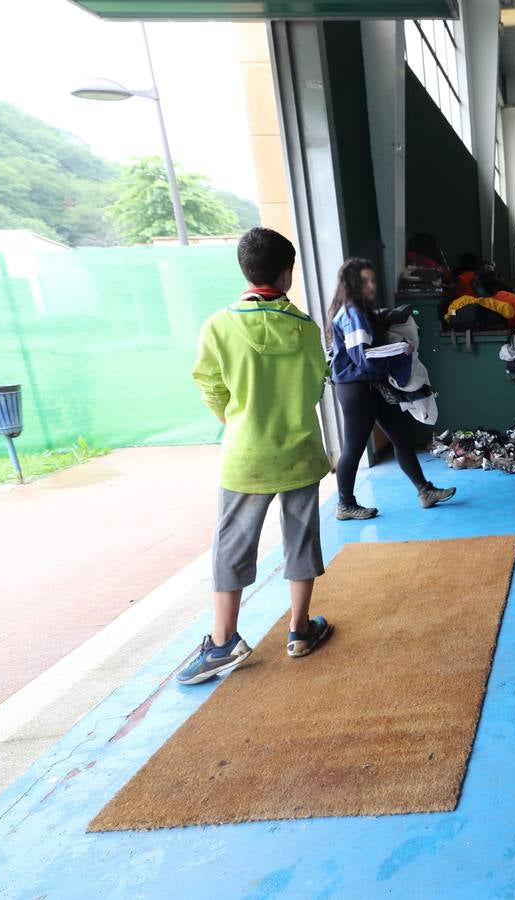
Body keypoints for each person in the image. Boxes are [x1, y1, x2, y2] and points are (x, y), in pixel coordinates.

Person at [182, 227, 335, 685]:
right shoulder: (306, 330)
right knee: (301, 539)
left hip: (246, 455)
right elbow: (315, 386)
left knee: (232, 544)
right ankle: (300, 630)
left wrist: (234, 419)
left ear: (244, 270)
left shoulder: (218, 325)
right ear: (288, 274)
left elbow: (209, 384)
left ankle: (224, 641)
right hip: (300, 451)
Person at [328, 257, 457, 520]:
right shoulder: (352, 312)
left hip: (370, 385)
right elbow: (361, 357)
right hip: (356, 388)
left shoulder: (357, 310)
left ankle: (425, 491)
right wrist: (400, 350)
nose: (371, 285)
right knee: (354, 446)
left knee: (399, 435)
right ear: (352, 283)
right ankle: (345, 504)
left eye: (372, 279)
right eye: (365, 281)